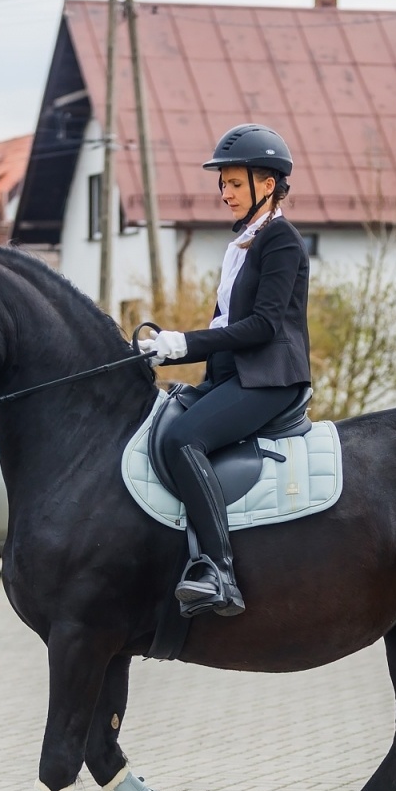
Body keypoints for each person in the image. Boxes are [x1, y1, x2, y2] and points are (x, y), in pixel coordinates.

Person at [137, 123, 310, 617]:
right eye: (223, 184)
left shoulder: (281, 241)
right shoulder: (242, 245)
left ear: (268, 184)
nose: (225, 193)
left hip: (270, 379)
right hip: (232, 377)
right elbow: (224, 327)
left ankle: (218, 569)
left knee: (181, 440)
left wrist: (182, 342)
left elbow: (260, 328)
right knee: (159, 421)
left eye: (235, 184)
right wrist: (169, 351)